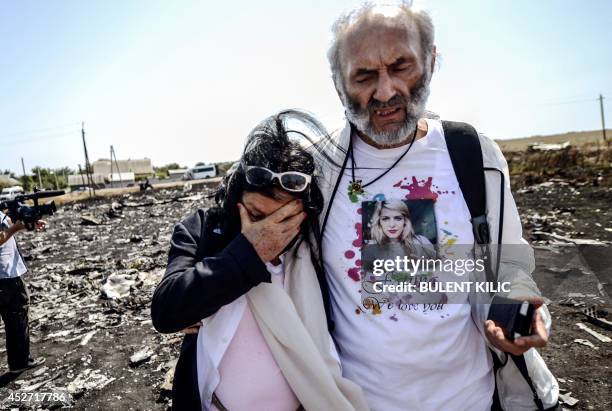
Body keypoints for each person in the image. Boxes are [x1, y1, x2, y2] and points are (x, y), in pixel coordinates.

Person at [314, 3, 558, 410]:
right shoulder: (316, 170)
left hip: (472, 399)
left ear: (430, 61)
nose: (386, 91)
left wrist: (523, 311)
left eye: (401, 66)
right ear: (339, 84)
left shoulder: (472, 153)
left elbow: (507, 262)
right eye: (364, 75)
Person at [151, 110, 368, 411]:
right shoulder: (203, 232)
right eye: (254, 215)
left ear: (303, 213)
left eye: (283, 220)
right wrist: (247, 253)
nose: (268, 231)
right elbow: (166, 311)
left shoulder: (317, 244)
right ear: (235, 200)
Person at [0, 210, 45, 374]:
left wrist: (29, 225)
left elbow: (7, 228)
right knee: (17, 316)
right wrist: (17, 227)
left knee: (13, 318)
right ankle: (19, 362)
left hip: (6, 274)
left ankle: (17, 362)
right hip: (5, 275)